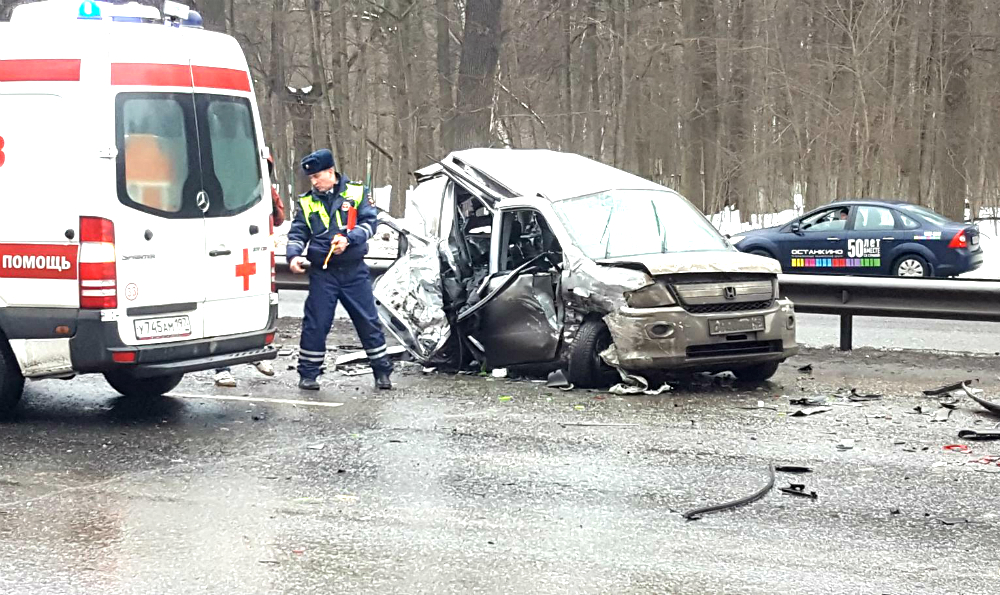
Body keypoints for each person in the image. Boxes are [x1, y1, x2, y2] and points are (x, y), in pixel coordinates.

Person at [287, 149, 392, 391]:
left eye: (317, 177)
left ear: (331, 172)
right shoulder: (306, 201)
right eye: (310, 178)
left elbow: (369, 223)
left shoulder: (356, 192)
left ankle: (382, 371)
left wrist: (349, 239)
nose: (313, 182)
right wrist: (293, 256)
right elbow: (298, 232)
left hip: (354, 270)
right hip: (323, 273)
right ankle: (309, 374)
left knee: (367, 321)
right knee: (316, 322)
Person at [213, 155, 285, 387]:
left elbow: (279, 218)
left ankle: (257, 352)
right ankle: (221, 367)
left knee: (252, 306)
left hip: (252, 252)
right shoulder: (225, 183)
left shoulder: (264, 190)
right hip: (223, 251)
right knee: (223, 310)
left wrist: (271, 197)